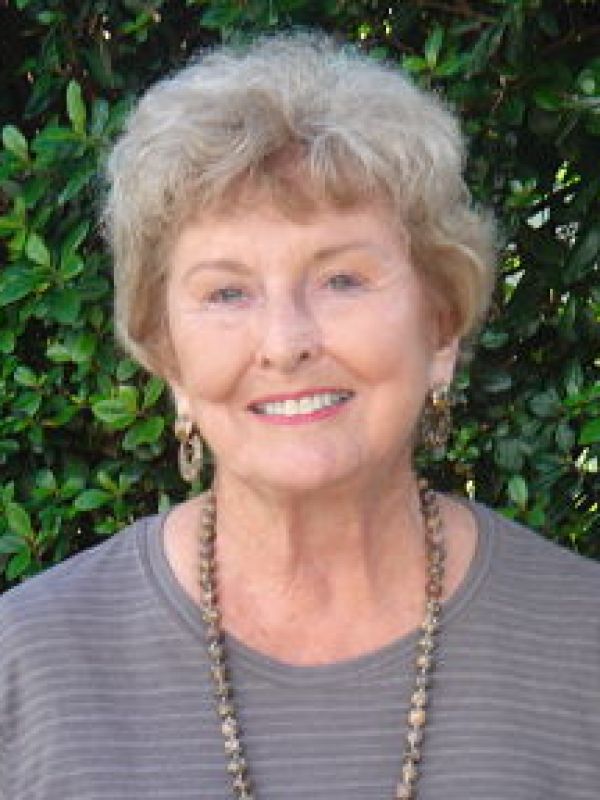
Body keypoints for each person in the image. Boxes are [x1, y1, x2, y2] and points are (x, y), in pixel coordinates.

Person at [1, 31, 599, 800]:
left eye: (342, 279)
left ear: (442, 326)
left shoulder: (582, 644)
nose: (286, 344)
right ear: (170, 357)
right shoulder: (29, 663)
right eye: (227, 292)